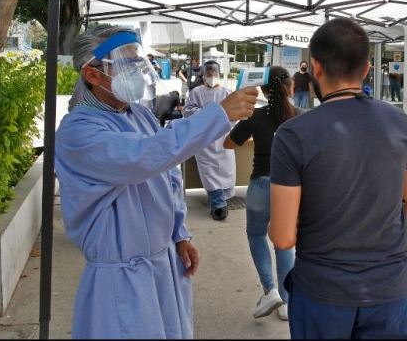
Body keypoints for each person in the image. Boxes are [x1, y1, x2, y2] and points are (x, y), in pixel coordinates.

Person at [54, 24, 259, 339]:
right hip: (122, 277)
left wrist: (178, 234)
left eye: (138, 61)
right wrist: (218, 114)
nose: (135, 70)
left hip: (163, 263)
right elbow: (142, 157)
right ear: (92, 75)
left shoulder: (139, 115)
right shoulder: (77, 132)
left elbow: (168, 177)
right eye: (125, 62)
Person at [268, 17, 407, 339]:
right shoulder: (400, 121)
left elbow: (282, 238)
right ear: (366, 69)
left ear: (316, 68)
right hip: (388, 290)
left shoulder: (293, 135)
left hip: (322, 293)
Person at [223, 66, 307, 322]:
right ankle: (286, 300)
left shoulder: (255, 116)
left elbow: (228, 143)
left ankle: (270, 290)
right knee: (284, 242)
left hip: (260, 184)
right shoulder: (301, 116)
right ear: (290, 87)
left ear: (263, 89)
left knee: (256, 233)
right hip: (289, 187)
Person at [182, 60, 236, 221]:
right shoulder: (196, 92)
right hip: (204, 139)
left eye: (214, 73)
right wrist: (209, 112)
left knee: (226, 170)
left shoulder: (227, 93)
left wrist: (219, 117)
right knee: (209, 172)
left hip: (223, 137)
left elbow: (235, 114)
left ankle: (222, 201)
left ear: (219, 74)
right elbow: (187, 111)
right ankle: (217, 204)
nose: (212, 76)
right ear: (204, 75)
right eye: (209, 73)